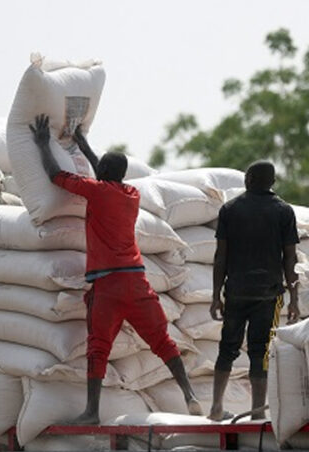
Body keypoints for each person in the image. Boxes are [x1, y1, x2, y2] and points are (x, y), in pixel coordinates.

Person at [29, 114, 202, 424]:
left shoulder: (95, 191)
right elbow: (104, 172)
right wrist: (82, 144)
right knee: (162, 341)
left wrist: (43, 144)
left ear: (104, 173)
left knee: (98, 347)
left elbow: (56, 175)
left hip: (107, 287)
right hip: (137, 282)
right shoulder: (131, 196)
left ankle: (92, 412)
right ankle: (189, 393)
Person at [209, 160, 300, 421]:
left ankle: (215, 408)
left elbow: (220, 257)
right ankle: (257, 412)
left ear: (247, 179)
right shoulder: (284, 211)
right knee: (260, 352)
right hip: (268, 295)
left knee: (227, 348)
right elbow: (290, 260)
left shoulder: (230, 209)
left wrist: (216, 296)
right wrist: (294, 299)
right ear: (272, 182)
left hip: (236, 291)